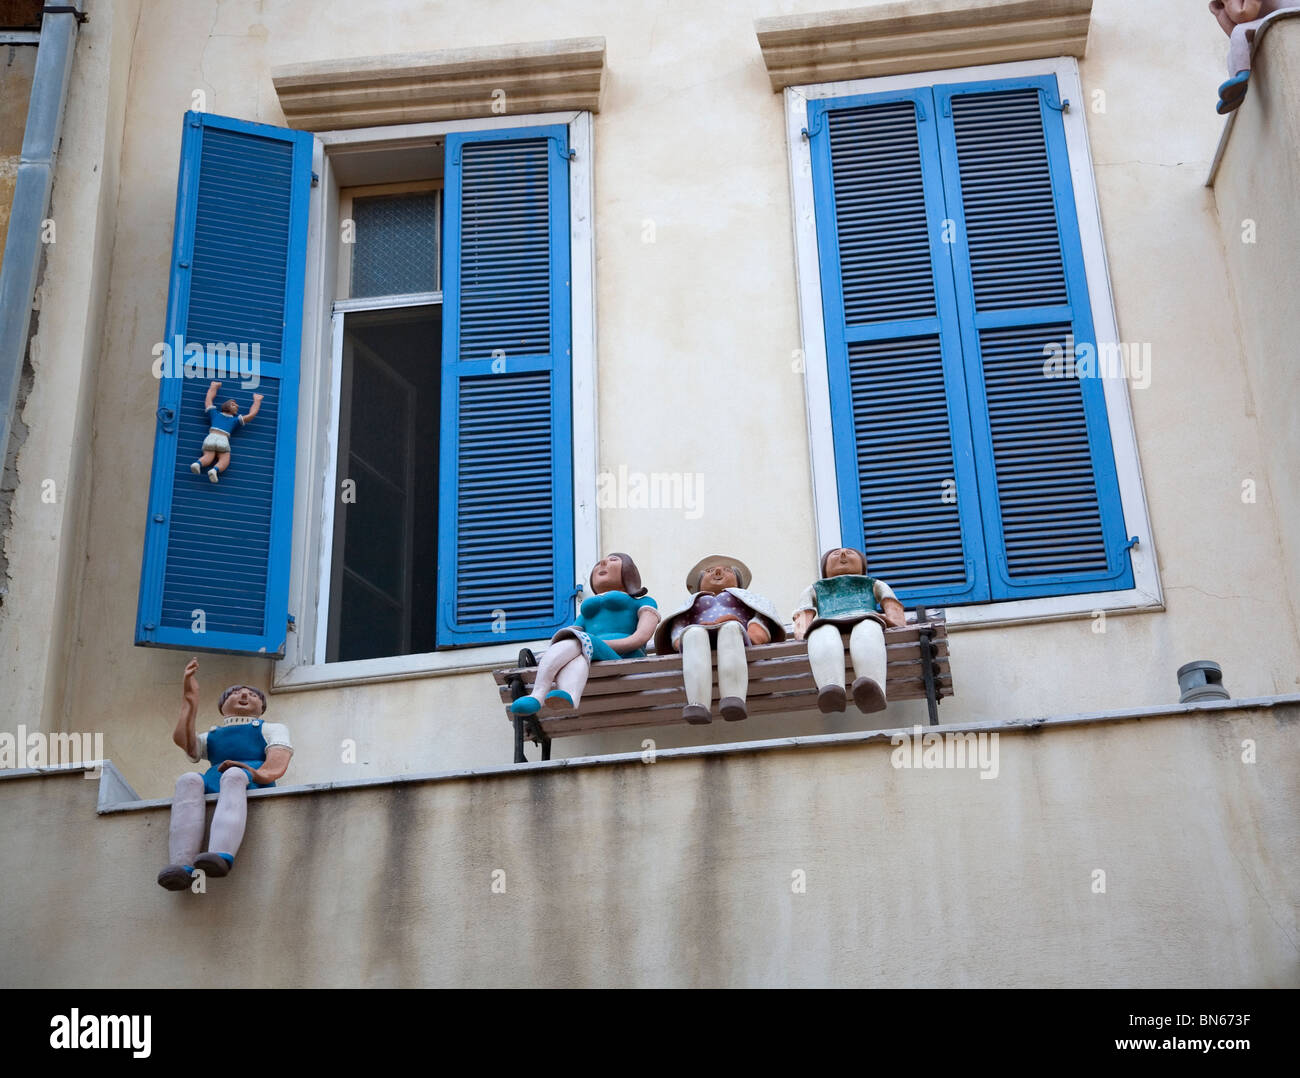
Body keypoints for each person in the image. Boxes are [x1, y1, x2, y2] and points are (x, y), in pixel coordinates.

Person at [156, 658, 292, 890]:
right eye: (236, 692)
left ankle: (220, 854)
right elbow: (186, 743)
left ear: (262, 706)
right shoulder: (212, 735)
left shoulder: (270, 728)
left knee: (233, 776)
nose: (244, 695)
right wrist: (190, 697)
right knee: (188, 780)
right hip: (216, 777)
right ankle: (181, 865)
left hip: (249, 777)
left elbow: (278, 759)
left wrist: (253, 772)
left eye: (253, 694)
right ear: (222, 705)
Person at [511, 553, 659, 714]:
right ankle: (568, 695)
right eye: (598, 563)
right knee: (574, 645)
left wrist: (595, 644)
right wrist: (585, 645)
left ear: (629, 572)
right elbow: (569, 639)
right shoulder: (585, 617)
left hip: (626, 661)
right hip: (592, 661)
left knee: (579, 643)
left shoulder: (643, 602)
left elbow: (641, 637)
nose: (602, 563)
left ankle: (538, 695)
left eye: (614, 560)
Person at [653, 555, 785, 723]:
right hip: (700, 635)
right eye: (708, 571)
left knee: (730, 629)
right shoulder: (693, 602)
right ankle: (697, 704)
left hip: (738, 637)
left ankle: (733, 699)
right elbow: (679, 622)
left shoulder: (747, 598)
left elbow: (761, 615)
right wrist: (678, 638)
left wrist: (755, 629)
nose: (717, 572)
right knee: (693, 633)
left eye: (727, 570)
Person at [793, 547, 906, 714]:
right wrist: (804, 631)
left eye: (850, 553)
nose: (843, 555)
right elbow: (803, 613)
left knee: (867, 629)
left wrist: (888, 620)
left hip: (865, 616)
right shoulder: (815, 588)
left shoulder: (873, 584)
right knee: (821, 633)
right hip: (827, 620)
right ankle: (831, 689)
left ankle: (872, 687)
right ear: (824, 568)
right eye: (836, 554)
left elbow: (893, 608)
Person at [1210, 1, 1300, 113]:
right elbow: (1232, 33)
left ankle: (1242, 76)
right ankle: (1236, 91)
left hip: (1291, 11)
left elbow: (1244, 14)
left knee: (1239, 32)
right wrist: (1220, 13)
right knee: (1232, 53)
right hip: (1269, 17)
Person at [191, 380, 262, 483]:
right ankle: (214, 470)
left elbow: (208, 400)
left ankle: (198, 464)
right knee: (224, 460)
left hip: (211, 437)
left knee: (208, 456)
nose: (236, 406)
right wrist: (257, 401)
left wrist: (213, 387)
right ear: (226, 406)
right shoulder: (234, 420)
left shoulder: (214, 414)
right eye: (233, 405)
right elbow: (251, 415)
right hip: (223, 439)